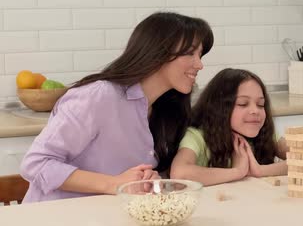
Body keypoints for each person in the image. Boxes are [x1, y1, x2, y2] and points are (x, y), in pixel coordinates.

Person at [20, 12, 214, 202]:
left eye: (200, 54)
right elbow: (36, 164)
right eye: (190, 53)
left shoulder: (165, 109)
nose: (199, 65)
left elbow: (135, 178)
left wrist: (148, 182)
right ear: (157, 51)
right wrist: (114, 184)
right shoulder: (98, 96)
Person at [170, 68, 288, 186]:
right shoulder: (196, 136)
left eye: (260, 105)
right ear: (219, 108)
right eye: (243, 104)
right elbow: (180, 174)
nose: (255, 111)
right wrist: (237, 172)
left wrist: (260, 170)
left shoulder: (264, 133)